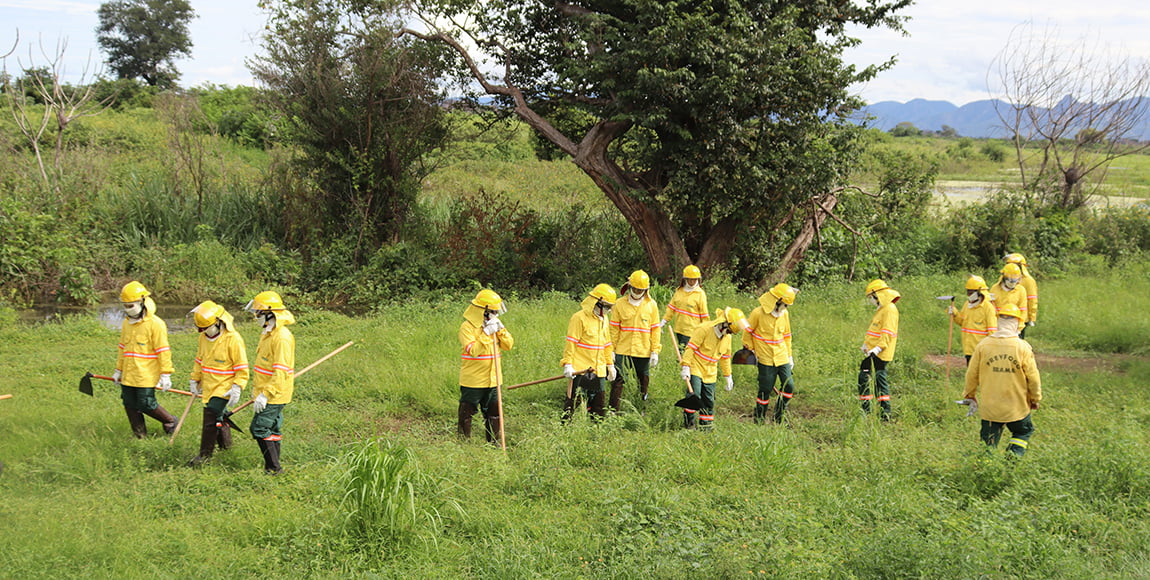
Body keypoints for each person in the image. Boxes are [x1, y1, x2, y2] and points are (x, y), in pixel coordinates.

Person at [961, 303, 1042, 457]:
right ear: (1018, 323)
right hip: (1016, 408)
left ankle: (985, 471)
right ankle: (1012, 460)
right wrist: (1035, 398)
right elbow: (1033, 378)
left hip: (990, 409)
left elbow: (971, 374)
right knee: (1023, 431)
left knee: (988, 444)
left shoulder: (983, 345)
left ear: (998, 321)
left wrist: (969, 395)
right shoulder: (1022, 347)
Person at [186, 301, 249, 467]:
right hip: (208, 386)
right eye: (200, 329)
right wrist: (195, 378)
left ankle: (204, 456)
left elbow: (242, 367)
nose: (203, 332)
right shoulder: (203, 338)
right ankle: (226, 447)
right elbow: (199, 360)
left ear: (219, 322)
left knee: (210, 417)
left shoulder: (233, 340)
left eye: (206, 328)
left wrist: (237, 386)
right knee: (218, 417)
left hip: (225, 387)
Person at [114, 281, 178, 438]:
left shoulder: (156, 324)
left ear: (143, 302)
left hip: (146, 375)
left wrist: (165, 374)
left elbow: (163, 350)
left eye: (131, 305)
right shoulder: (126, 323)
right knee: (129, 404)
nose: (128, 309)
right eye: (125, 306)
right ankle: (140, 436)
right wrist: (118, 369)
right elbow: (122, 348)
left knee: (146, 403)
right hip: (129, 374)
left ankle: (170, 421)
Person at [245, 291, 296, 474]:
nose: (255, 317)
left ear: (269, 313)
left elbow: (280, 371)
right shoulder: (268, 333)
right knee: (273, 428)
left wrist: (265, 395)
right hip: (265, 391)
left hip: (274, 393)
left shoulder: (281, 337)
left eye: (258, 313)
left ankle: (274, 468)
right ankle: (273, 467)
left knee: (259, 427)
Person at [457, 289, 514, 443]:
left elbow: (508, 345)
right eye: (494, 311)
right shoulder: (466, 328)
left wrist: (500, 329)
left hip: (494, 379)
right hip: (473, 380)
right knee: (467, 413)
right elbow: (474, 351)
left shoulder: (494, 325)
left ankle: (494, 444)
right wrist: (487, 333)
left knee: (494, 414)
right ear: (484, 311)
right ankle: (463, 443)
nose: (496, 314)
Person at [680, 307, 748, 430]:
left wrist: (728, 376)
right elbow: (690, 348)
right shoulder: (704, 329)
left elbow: (725, 357)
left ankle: (706, 427)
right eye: (729, 331)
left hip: (711, 371)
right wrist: (686, 366)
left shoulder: (727, 337)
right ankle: (689, 424)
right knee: (694, 395)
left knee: (709, 401)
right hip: (696, 366)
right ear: (724, 324)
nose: (729, 334)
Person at [561, 284, 617, 421]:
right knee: (573, 403)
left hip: (599, 369)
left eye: (610, 307)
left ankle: (597, 432)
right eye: (606, 306)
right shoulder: (579, 318)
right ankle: (567, 429)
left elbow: (607, 344)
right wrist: (568, 364)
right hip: (581, 369)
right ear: (596, 302)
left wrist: (610, 365)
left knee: (598, 406)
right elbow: (571, 342)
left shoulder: (604, 319)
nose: (608, 310)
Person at [608, 270, 662, 410]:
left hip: (643, 350)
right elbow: (614, 329)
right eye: (635, 288)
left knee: (643, 380)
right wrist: (611, 350)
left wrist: (655, 351)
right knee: (618, 380)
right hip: (622, 349)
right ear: (629, 286)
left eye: (640, 290)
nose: (637, 292)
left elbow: (655, 330)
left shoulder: (652, 305)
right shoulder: (619, 304)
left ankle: (641, 408)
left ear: (646, 290)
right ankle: (613, 410)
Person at [746, 283, 798, 424]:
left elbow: (787, 335)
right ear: (777, 301)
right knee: (765, 389)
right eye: (785, 305)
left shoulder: (784, 314)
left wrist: (789, 355)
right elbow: (747, 333)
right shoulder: (758, 313)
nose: (785, 308)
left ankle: (779, 416)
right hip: (765, 358)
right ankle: (759, 419)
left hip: (782, 356)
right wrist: (751, 352)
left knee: (789, 386)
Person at [858, 279, 900, 420]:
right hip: (873, 351)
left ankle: (884, 413)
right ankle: (868, 410)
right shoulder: (882, 309)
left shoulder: (890, 310)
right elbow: (874, 330)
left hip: (881, 353)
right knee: (869, 378)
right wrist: (866, 345)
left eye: (871, 297)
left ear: (878, 295)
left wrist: (876, 349)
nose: (870, 300)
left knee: (877, 380)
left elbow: (887, 333)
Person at [949, 275, 998, 365]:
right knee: (971, 376)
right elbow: (962, 322)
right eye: (968, 292)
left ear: (979, 292)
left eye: (971, 292)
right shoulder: (967, 305)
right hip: (968, 349)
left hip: (982, 350)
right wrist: (955, 314)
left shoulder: (988, 307)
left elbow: (992, 331)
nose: (969, 295)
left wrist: (992, 349)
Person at [662, 265, 709, 352]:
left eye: (694, 280)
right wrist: (663, 322)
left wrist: (706, 330)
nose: (692, 282)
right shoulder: (679, 291)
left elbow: (704, 314)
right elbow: (671, 308)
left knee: (685, 352)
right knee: (681, 351)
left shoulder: (700, 294)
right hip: (679, 329)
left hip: (692, 330)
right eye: (690, 279)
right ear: (685, 279)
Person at [1004, 253, 1038, 338]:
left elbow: (1032, 299)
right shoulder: (1004, 279)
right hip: (1005, 314)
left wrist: (1032, 317)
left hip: (1020, 317)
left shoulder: (1028, 281)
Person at [990, 263, 1028, 332]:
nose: (1012, 282)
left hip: (1013, 325)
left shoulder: (1021, 290)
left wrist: (1019, 328)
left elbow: (1023, 310)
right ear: (1004, 277)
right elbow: (991, 308)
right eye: (1010, 280)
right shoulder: (994, 289)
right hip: (997, 325)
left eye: (1014, 280)